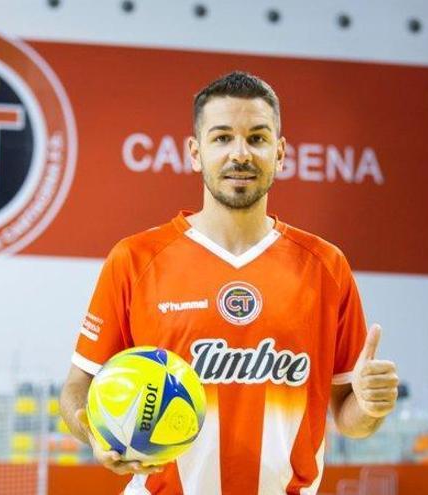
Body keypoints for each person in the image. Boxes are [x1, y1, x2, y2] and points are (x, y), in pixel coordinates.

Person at [59, 71, 399, 495]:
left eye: (257, 138)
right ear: (195, 152)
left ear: (280, 153)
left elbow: (350, 417)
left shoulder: (326, 266)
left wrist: (370, 405)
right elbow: (77, 387)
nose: (240, 154)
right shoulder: (135, 259)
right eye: (221, 138)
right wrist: (94, 432)